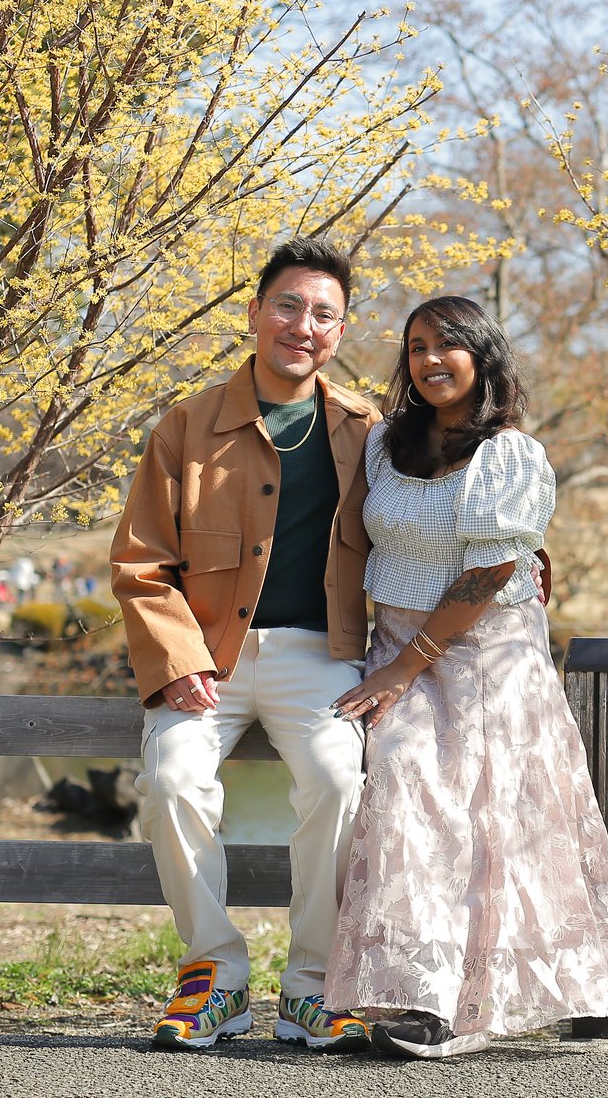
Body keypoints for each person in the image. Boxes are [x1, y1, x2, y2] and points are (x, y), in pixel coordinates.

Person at [327, 295, 608, 1060]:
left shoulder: (510, 454)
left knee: (500, 820)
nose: (431, 360)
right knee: (406, 793)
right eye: (417, 346)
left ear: (483, 355)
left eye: (448, 345)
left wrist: (405, 667)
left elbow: (492, 568)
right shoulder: (383, 444)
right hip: (396, 644)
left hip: (487, 653)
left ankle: (514, 998)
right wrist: (391, 660)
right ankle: (416, 993)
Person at [111, 237, 377, 1053]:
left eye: (323, 314)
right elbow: (140, 562)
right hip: (205, 659)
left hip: (321, 657)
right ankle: (214, 977)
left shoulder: (367, 430)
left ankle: (314, 986)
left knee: (340, 782)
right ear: (256, 313)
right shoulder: (186, 426)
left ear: (340, 331)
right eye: (288, 306)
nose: (303, 325)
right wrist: (178, 659)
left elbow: (431, 522)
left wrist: (516, 564)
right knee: (171, 780)